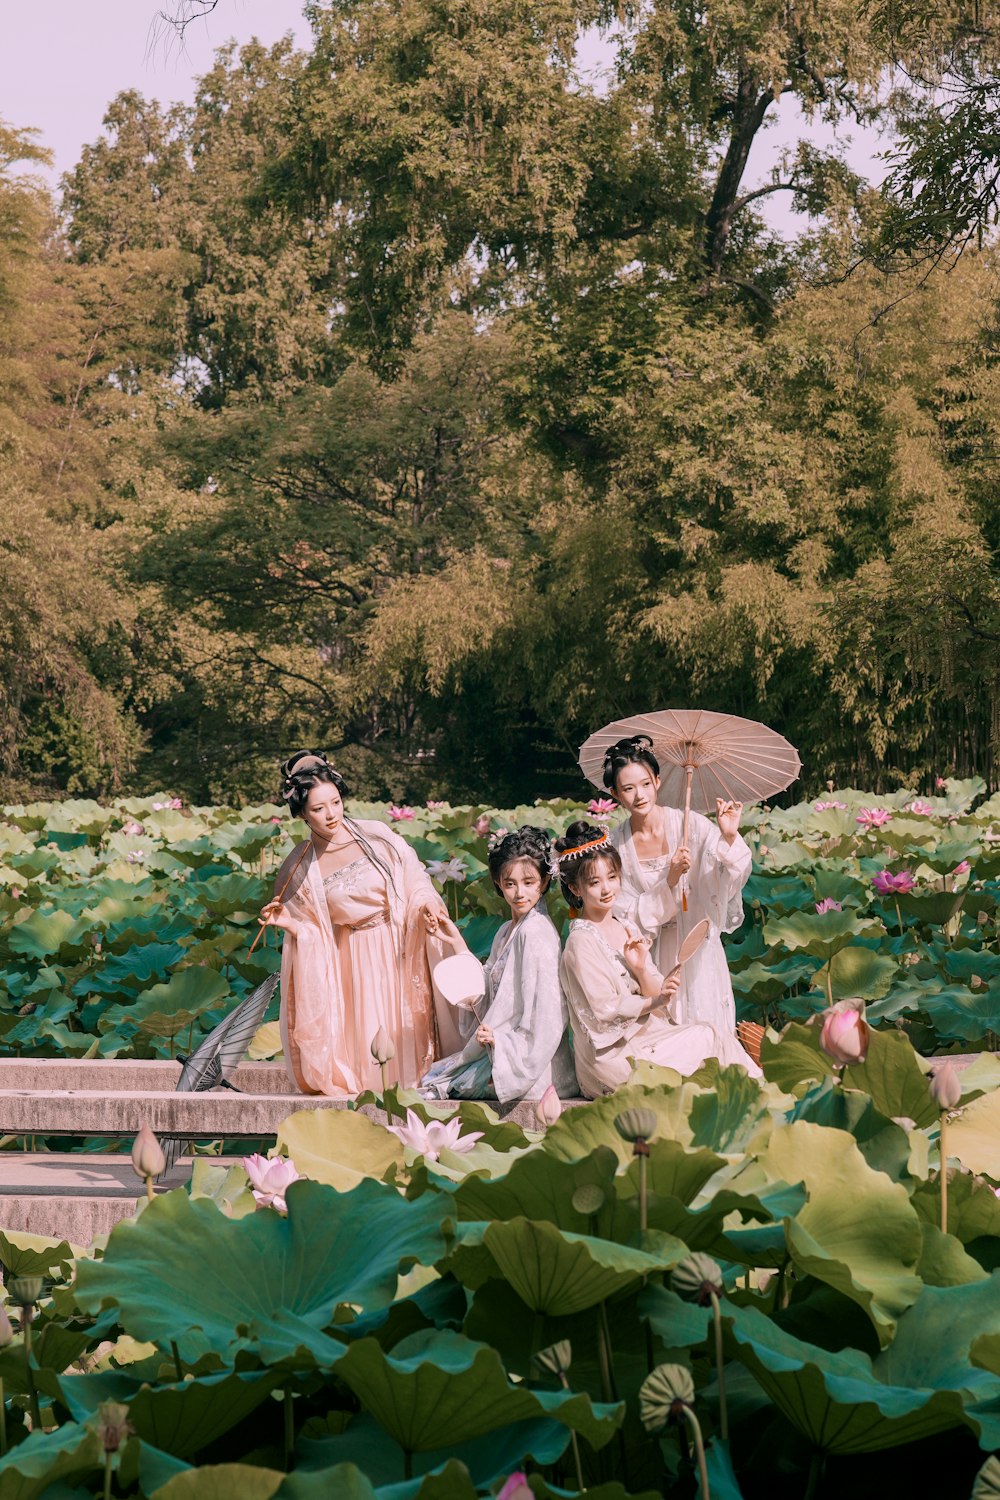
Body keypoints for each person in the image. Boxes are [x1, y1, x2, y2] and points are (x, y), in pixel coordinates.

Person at [260, 751, 465, 1096]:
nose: (330, 814)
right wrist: (293, 926)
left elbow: (413, 880)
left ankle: (413, 1111)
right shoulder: (301, 866)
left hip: (397, 946)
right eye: (318, 809)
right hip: (351, 962)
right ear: (302, 814)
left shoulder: (377, 836)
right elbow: (314, 932)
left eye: (335, 803)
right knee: (369, 1047)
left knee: (405, 1035)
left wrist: (427, 904)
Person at [556, 820, 760, 1097]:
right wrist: (655, 1000)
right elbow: (604, 1013)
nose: (607, 889)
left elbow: (657, 999)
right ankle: (764, 1094)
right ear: (576, 889)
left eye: (612, 877)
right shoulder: (580, 943)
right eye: (594, 882)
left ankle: (757, 1092)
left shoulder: (627, 926)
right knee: (708, 1040)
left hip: (646, 1037)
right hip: (610, 1057)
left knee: (711, 1034)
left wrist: (641, 970)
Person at [603, 735, 751, 1040]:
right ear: (616, 794)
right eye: (628, 788)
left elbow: (727, 879)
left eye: (645, 784)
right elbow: (624, 913)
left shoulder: (692, 825)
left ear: (658, 781)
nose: (640, 795)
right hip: (652, 956)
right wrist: (669, 881)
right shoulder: (615, 845)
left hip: (698, 946)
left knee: (707, 1034)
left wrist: (727, 838)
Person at [420, 826, 577, 1104]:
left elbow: (548, 1017)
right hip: (504, 1046)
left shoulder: (536, 932)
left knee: (443, 1084)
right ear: (498, 883)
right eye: (510, 883)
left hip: (532, 1063)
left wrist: (501, 1042)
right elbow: (488, 990)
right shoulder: (507, 930)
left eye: (529, 882)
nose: (519, 893)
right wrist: (457, 941)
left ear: (543, 881)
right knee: (437, 1079)